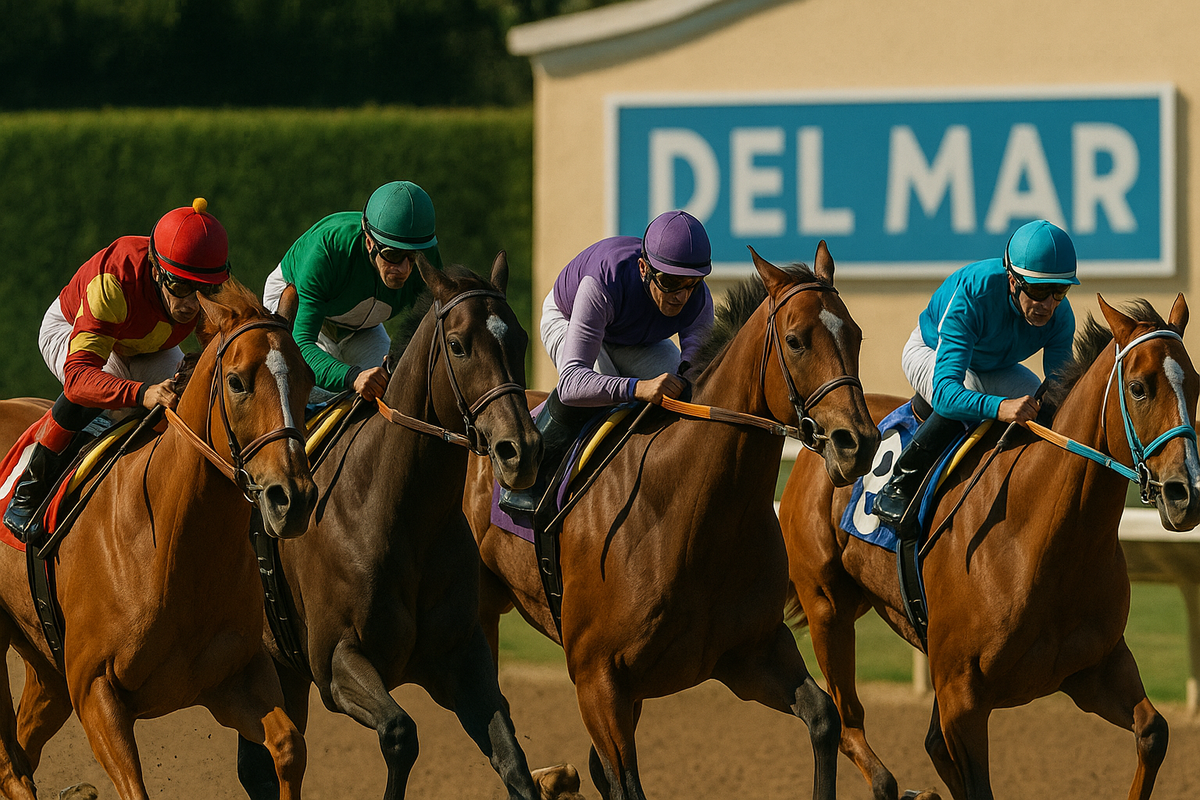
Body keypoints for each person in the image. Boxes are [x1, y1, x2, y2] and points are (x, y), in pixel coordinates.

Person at [4, 198, 231, 544]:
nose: (191, 303)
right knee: (94, 396)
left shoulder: (207, 287)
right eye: (180, 287)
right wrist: (142, 392)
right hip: (73, 329)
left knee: (191, 404)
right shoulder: (113, 281)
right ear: (156, 270)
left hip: (147, 343)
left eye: (204, 290)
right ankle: (29, 490)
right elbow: (79, 378)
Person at [872, 219, 1078, 539]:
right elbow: (946, 393)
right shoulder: (973, 292)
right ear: (1012, 280)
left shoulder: (1061, 317)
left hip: (994, 366)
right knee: (965, 393)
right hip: (930, 352)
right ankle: (900, 484)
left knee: (1047, 410)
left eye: (1059, 291)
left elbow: (1060, 389)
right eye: (1038, 291)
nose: (1048, 305)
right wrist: (1001, 407)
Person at [499, 209, 715, 513]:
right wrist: (638, 388)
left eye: (692, 283)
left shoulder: (698, 299)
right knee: (599, 398)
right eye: (669, 282)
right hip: (569, 319)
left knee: (682, 391)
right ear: (644, 268)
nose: (681, 296)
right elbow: (572, 384)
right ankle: (529, 476)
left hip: (630, 338)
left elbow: (696, 373)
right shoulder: (605, 279)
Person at [262, 180, 442, 404]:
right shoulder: (326, 251)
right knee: (309, 393)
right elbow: (301, 346)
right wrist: (352, 377)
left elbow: (434, 333)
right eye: (393, 255)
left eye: (413, 256)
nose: (405, 269)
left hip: (362, 326)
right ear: (369, 242)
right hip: (295, 312)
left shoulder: (427, 257)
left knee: (393, 393)